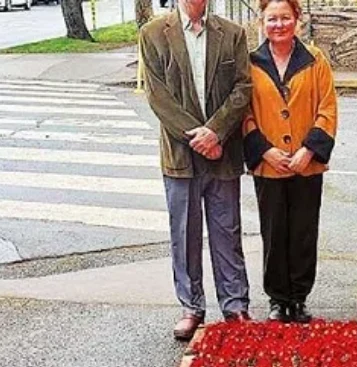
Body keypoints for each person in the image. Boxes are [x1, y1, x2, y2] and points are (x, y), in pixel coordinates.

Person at [139, 0, 253, 340]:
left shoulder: (232, 34)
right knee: (184, 234)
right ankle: (192, 308)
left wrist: (216, 132)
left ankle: (235, 306)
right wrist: (198, 137)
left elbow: (243, 88)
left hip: (223, 152)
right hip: (180, 154)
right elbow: (158, 96)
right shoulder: (153, 34)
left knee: (227, 232)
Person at [243, 0, 338, 323]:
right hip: (268, 165)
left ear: (297, 19)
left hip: (306, 165)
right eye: (272, 19)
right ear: (262, 22)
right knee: (273, 233)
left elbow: (327, 109)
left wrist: (308, 151)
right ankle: (277, 299)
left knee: (303, 232)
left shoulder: (315, 60)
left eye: (285, 17)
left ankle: (298, 298)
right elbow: (244, 113)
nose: (279, 24)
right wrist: (265, 151)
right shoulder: (251, 63)